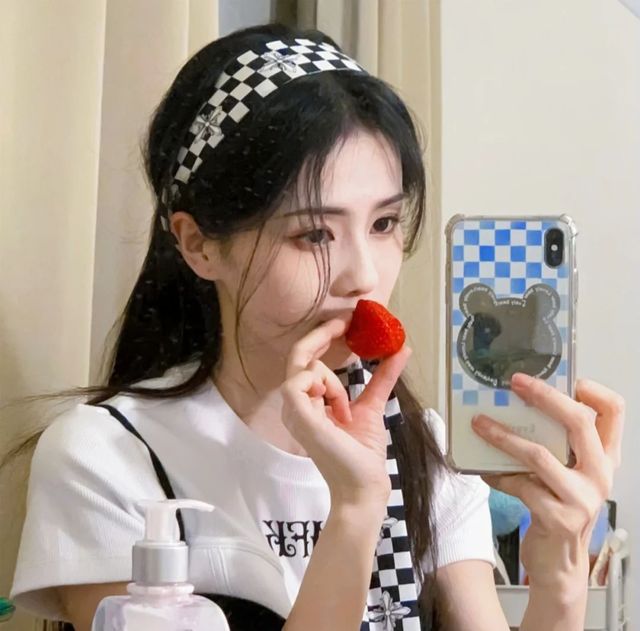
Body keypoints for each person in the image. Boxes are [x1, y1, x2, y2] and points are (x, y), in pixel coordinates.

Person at [9, 22, 623, 631]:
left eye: (383, 224)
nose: (364, 276)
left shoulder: (422, 446)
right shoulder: (107, 455)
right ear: (198, 245)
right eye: (314, 234)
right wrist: (355, 512)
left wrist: (561, 575)